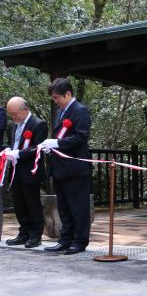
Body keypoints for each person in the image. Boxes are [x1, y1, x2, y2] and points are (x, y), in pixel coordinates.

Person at [41, 78, 93, 255]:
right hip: (60, 167)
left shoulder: (80, 111)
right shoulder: (62, 112)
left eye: (57, 97)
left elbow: (80, 137)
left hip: (75, 167)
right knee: (64, 206)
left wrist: (56, 143)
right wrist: (51, 146)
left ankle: (79, 241)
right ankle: (65, 239)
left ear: (68, 94)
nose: (55, 101)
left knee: (78, 207)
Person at [3, 97, 47, 247]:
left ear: (25, 109)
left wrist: (19, 154)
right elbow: (12, 143)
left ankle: (35, 235)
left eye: (15, 114)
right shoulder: (12, 126)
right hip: (15, 170)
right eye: (11, 114)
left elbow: (37, 147)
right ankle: (23, 233)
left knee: (32, 203)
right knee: (19, 203)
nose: (13, 117)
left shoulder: (38, 124)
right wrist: (8, 150)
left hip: (30, 170)